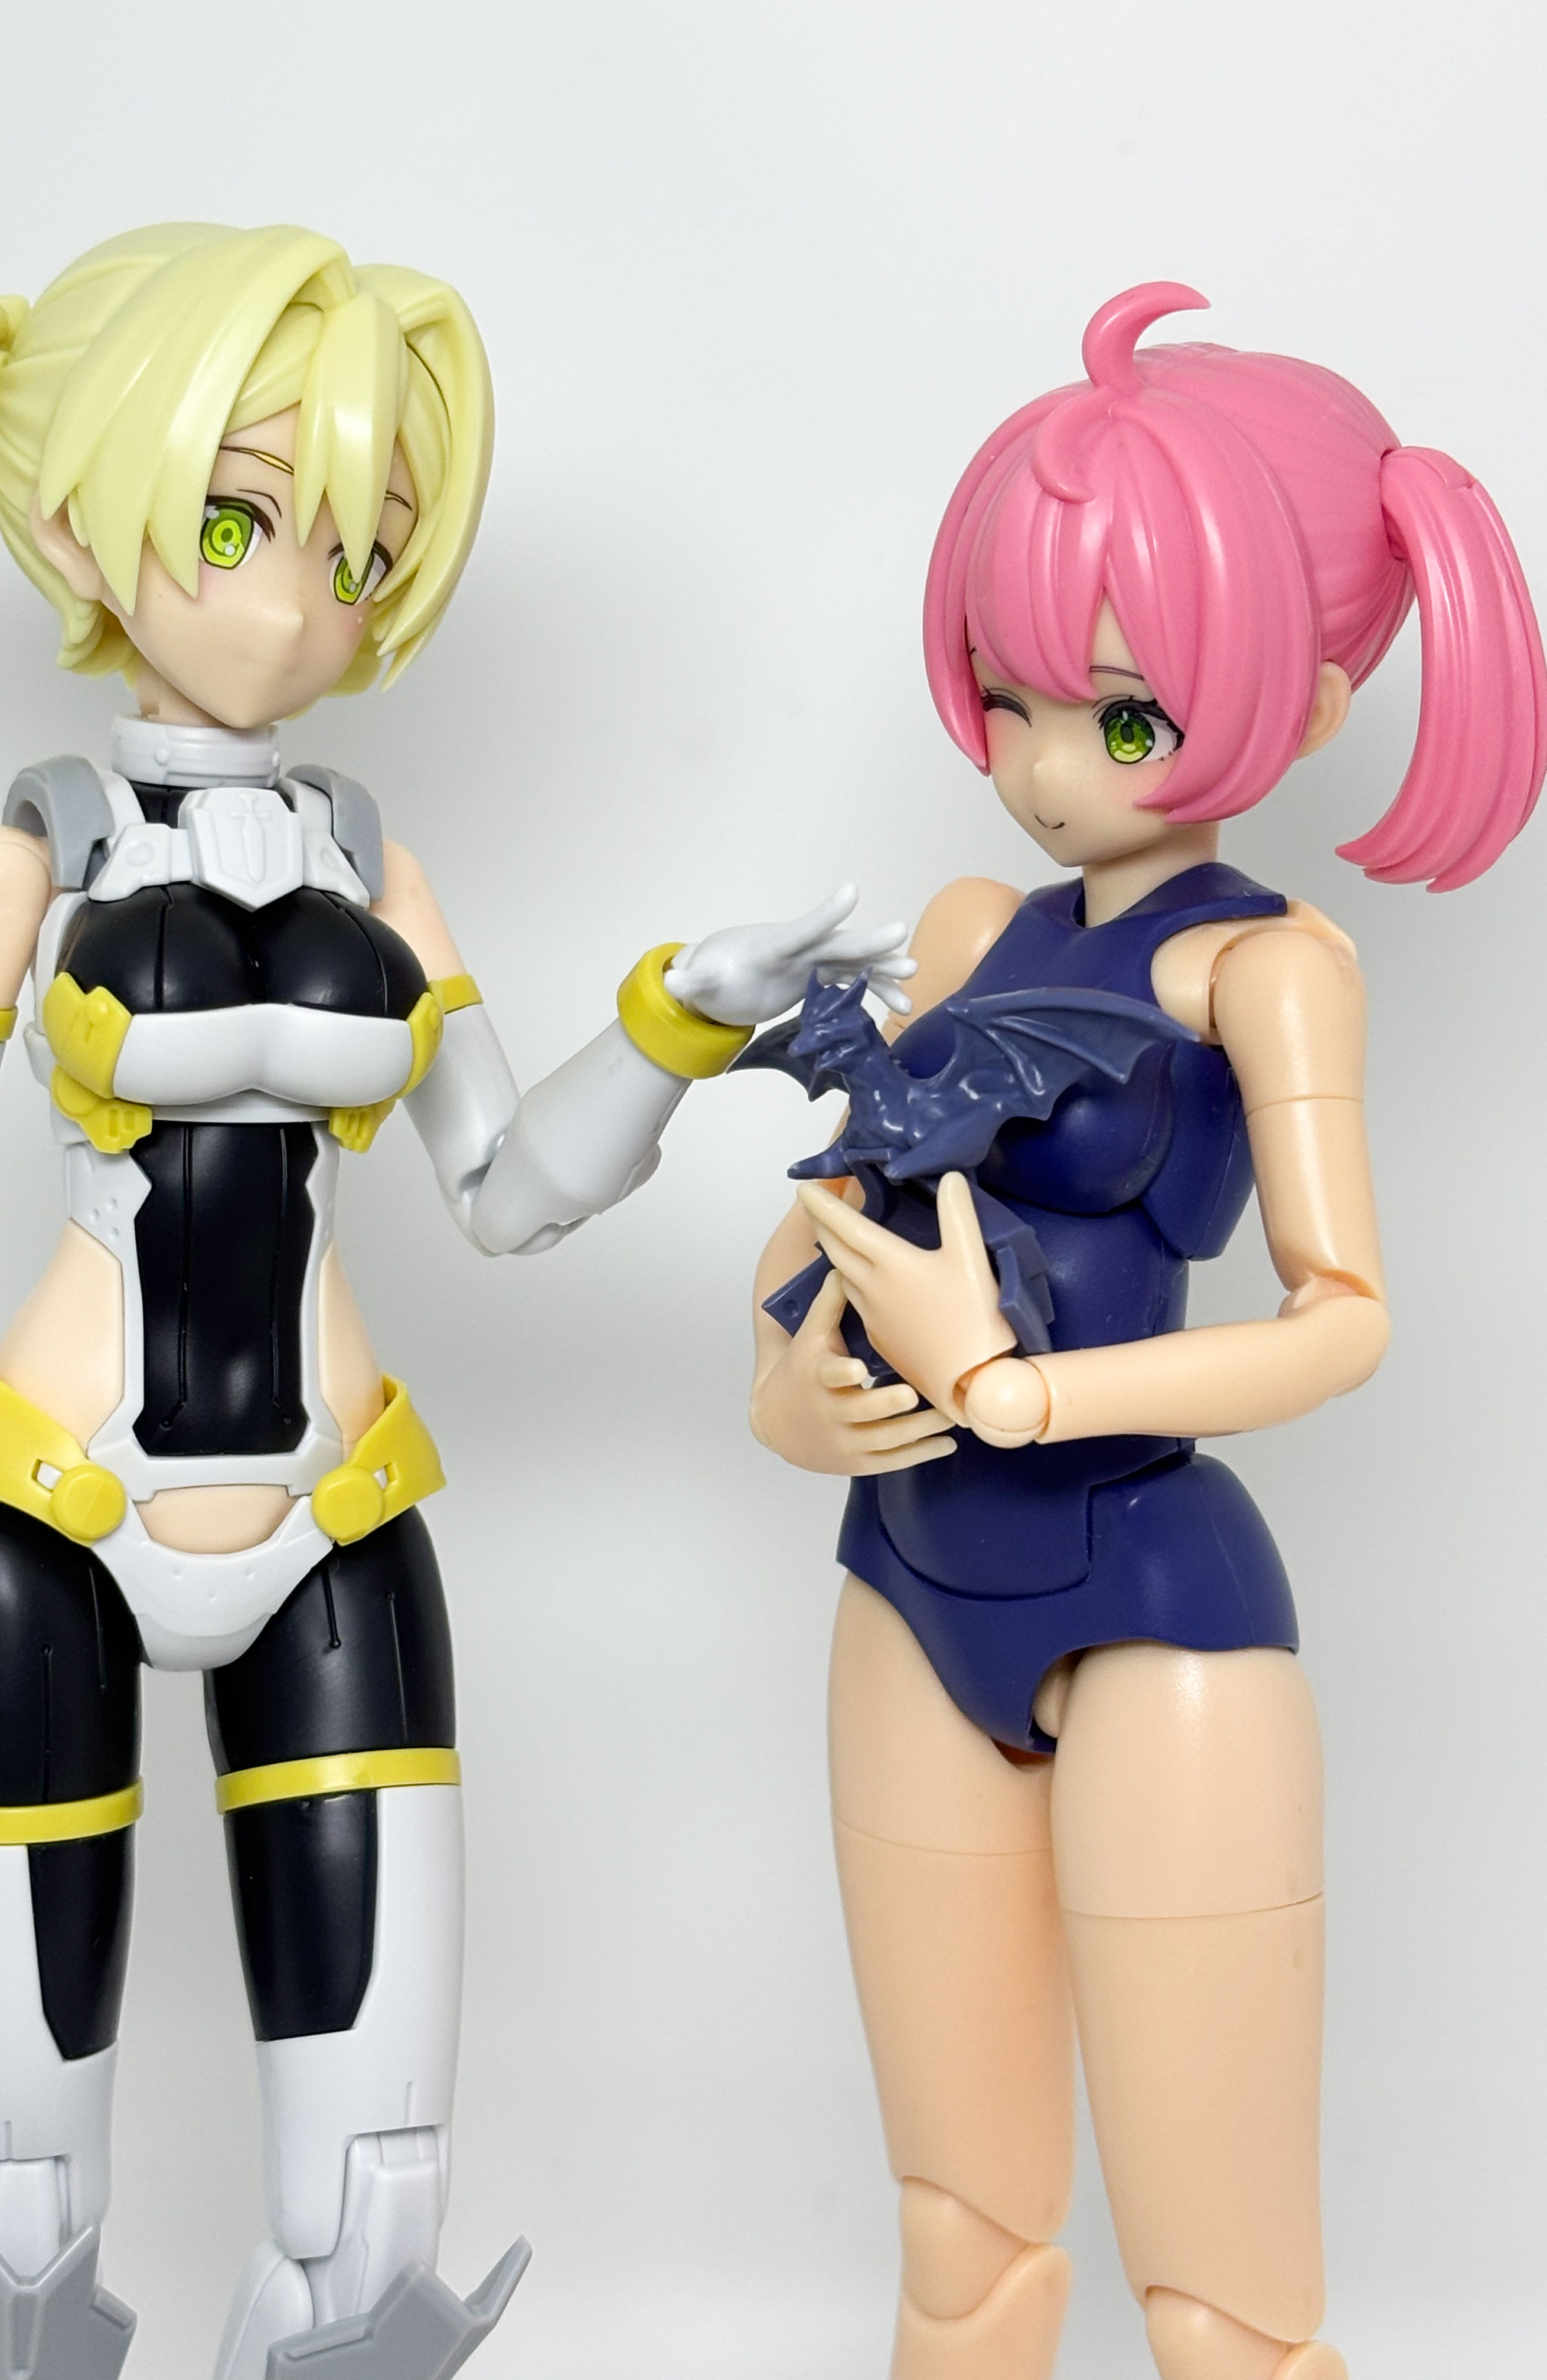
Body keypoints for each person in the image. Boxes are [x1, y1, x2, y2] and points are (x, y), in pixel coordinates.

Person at [0, 220, 909, 2380]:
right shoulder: (22, 865)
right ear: (68, 510)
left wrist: (682, 1019)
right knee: (18, 2225)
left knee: (374, 2217)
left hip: (333, 1528)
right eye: (234, 521)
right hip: (37, 1533)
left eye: (361, 552)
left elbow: (506, 1186)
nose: (297, 607)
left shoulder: (376, 862)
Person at [748, 282, 1543, 2380]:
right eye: (1009, 695)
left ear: (1313, 697)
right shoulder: (965, 935)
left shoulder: (1265, 974)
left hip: (1151, 1599)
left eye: (1114, 719)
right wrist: (791, 1384)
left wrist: (1019, 1389)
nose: (1038, 769)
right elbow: (826, 1219)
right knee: (961, 2237)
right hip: (907, 1577)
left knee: (1222, 2300)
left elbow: (1343, 1321)